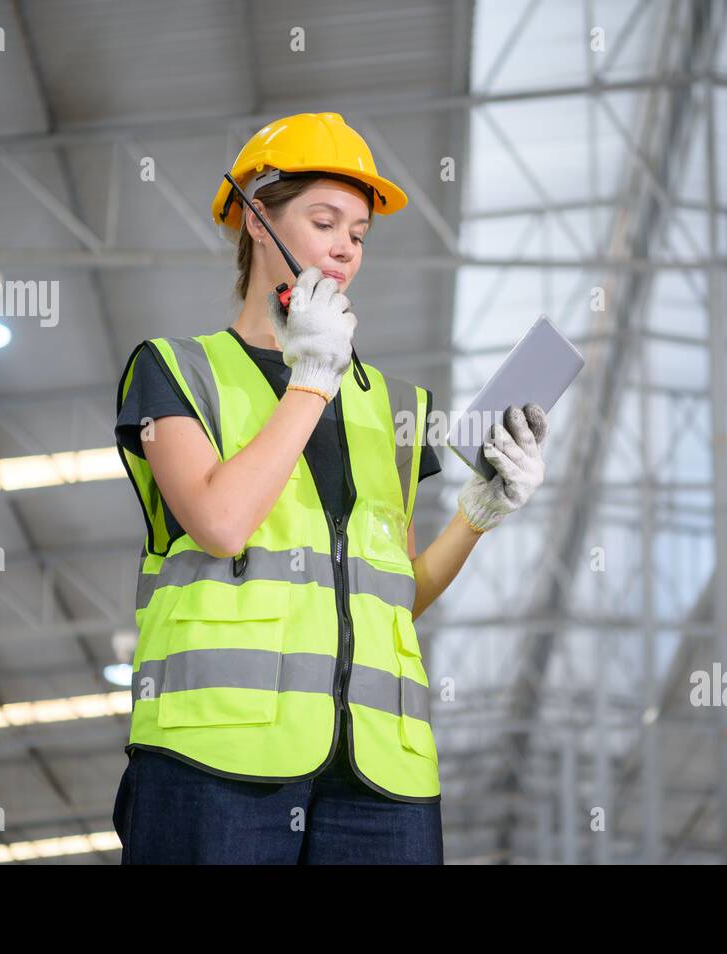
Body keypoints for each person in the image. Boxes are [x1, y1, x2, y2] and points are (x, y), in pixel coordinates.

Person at [111, 112, 550, 864]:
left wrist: (478, 514)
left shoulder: (395, 405)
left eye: (359, 233)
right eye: (324, 221)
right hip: (216, 759)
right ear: (256, 219)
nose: (346, 246)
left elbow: (391, 595)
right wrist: (310, 380)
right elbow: (219, 521)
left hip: (381, 777)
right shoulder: (176, 370)